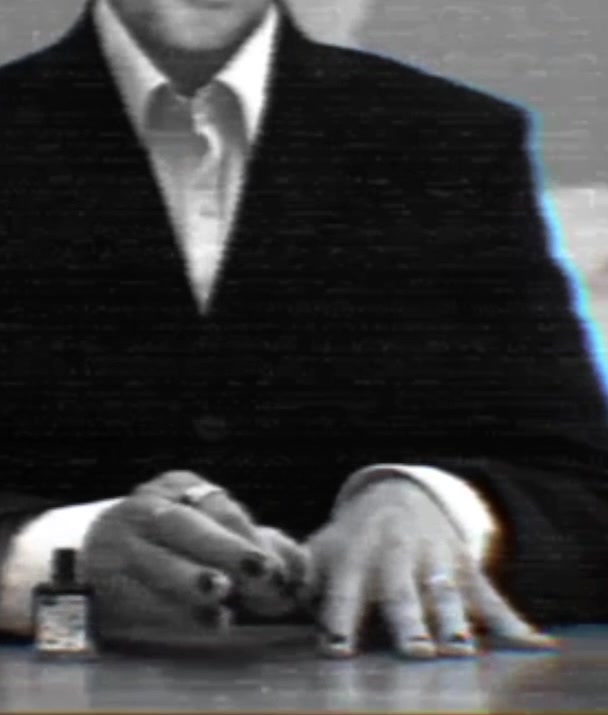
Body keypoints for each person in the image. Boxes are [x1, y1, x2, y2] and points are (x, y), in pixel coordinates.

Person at [0, 0, 607, 657]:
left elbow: (582, 489)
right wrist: (55, 556)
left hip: (400, 708)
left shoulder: (455, 141)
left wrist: (443, 508)